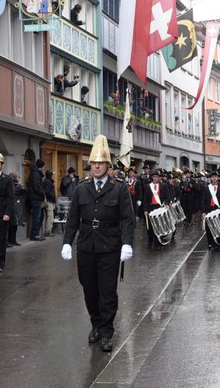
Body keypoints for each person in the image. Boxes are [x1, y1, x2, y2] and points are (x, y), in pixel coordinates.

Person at [61, 135, 134, 352]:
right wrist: (67, 242)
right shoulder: (81, 188)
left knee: (108, 291)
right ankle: (95, 323)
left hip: (110, 246)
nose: (97, 167)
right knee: (89, 288)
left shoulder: (118, 188)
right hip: (86, 246)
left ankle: (106, 331)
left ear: (107, 166)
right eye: (94, 163)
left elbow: (128, 219)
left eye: (100, 163)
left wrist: (127, 244)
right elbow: (73, 218)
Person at [201, 170, 220, 251]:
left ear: (218, 178)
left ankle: (217, 243)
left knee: (218, 226)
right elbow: (203, 200)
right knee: (209, 227)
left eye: (216, 177)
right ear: (210, 178)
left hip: (218, 209)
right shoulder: (207, 188)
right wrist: (203, 211)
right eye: (212, 177)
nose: (214, 178)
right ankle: (210, 243)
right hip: (209, 210)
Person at [143, 169, 170, 250]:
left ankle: (157, 242)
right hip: (151, 208)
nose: (155, 178)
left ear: (159, 178)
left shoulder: (164, 186)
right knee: (150, 227)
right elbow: (145, 199)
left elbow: (167, 197)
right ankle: (150, 242)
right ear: (152, 177)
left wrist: (166, 204)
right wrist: (145, 210)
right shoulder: (148, 186)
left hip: (159, 208)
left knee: (158, 226)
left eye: (157, 177)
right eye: (154, 177)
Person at [27, 159, 46, 241]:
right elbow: (36, 186)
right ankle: (34, 235)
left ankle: (36, 233)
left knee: (40, 216)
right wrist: (43, 192)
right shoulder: (35, 174)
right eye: (42, 167)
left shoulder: (36, 173)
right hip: (36, 198)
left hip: (37, 198)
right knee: (37, 217)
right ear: (40, 167)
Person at [8, 172, 26, 246]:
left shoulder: (15, 185)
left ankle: (12, 240)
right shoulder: (14, 186)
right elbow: (24, 190)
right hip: (14, 206)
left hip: (14, 205)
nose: (19, 178)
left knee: (14, 224)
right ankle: (11, 240)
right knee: (13, 224)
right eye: (18, 177)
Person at [43, 170, 57, 237]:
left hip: (50, 200)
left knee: (50, 216)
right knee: (50, 217)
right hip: (49, 201)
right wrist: (53, 196)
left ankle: (48, 231)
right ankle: (48, 231)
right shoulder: (48, 182)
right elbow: (47, 192)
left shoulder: (47, 181)